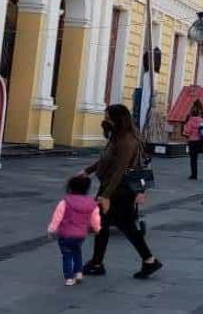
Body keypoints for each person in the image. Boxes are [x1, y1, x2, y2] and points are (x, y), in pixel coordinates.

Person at [81, 104, 162, 279]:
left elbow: (120, 170)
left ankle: (148, 260)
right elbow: (106, 160)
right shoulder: (117, 137)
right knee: (110, 225)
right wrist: (88, 170)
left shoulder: (127, 141)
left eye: (107, 116)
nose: (105, 119)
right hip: (113, 188)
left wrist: (106, 196)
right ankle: (98, 262)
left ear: (117, 119)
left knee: (123, 226)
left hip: (119, 190)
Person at [48, 176, 101, 286]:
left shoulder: (65, 202)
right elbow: (95, 218)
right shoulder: (91, 203)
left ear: (70, 188)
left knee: (67, 255)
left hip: (65, 234)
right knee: (77, 252)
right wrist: (97, 229)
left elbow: (57, 217)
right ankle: (79, 273)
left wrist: (52, 229)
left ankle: (69, 278)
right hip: (80, 235)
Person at [183, 100, 203, 180]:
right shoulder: (202, 120)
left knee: (193, 158)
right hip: (200, 141)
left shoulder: (190, 121)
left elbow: (187, 132)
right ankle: (194, 174)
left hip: (192, 141)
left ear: (192, 113)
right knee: (196, 156)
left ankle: (194, 174)